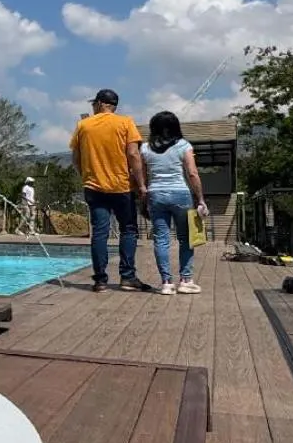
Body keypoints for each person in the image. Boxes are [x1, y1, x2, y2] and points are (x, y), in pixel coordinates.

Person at [70, 89, 151, 292]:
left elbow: (76, 159)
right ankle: (127, 277)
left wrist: (87, 176)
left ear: (100, 103)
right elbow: (133, 154)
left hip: (94, 187)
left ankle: (100, 281)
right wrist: (141, 184)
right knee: (129, 230)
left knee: (100, 232)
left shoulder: (83, 125)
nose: (92, 108)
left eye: (93, 105)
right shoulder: (125, 123)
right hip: (121, 186)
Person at [139, 110, 209, 294]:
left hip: (156, 195)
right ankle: (185, 281)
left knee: (161, 240)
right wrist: (200, 199)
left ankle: (166, 283)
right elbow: (192, 173)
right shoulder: (183, 145)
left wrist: (144, 198)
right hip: (180, 195)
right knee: (186, 239)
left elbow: (143, 178)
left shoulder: (145, 148)